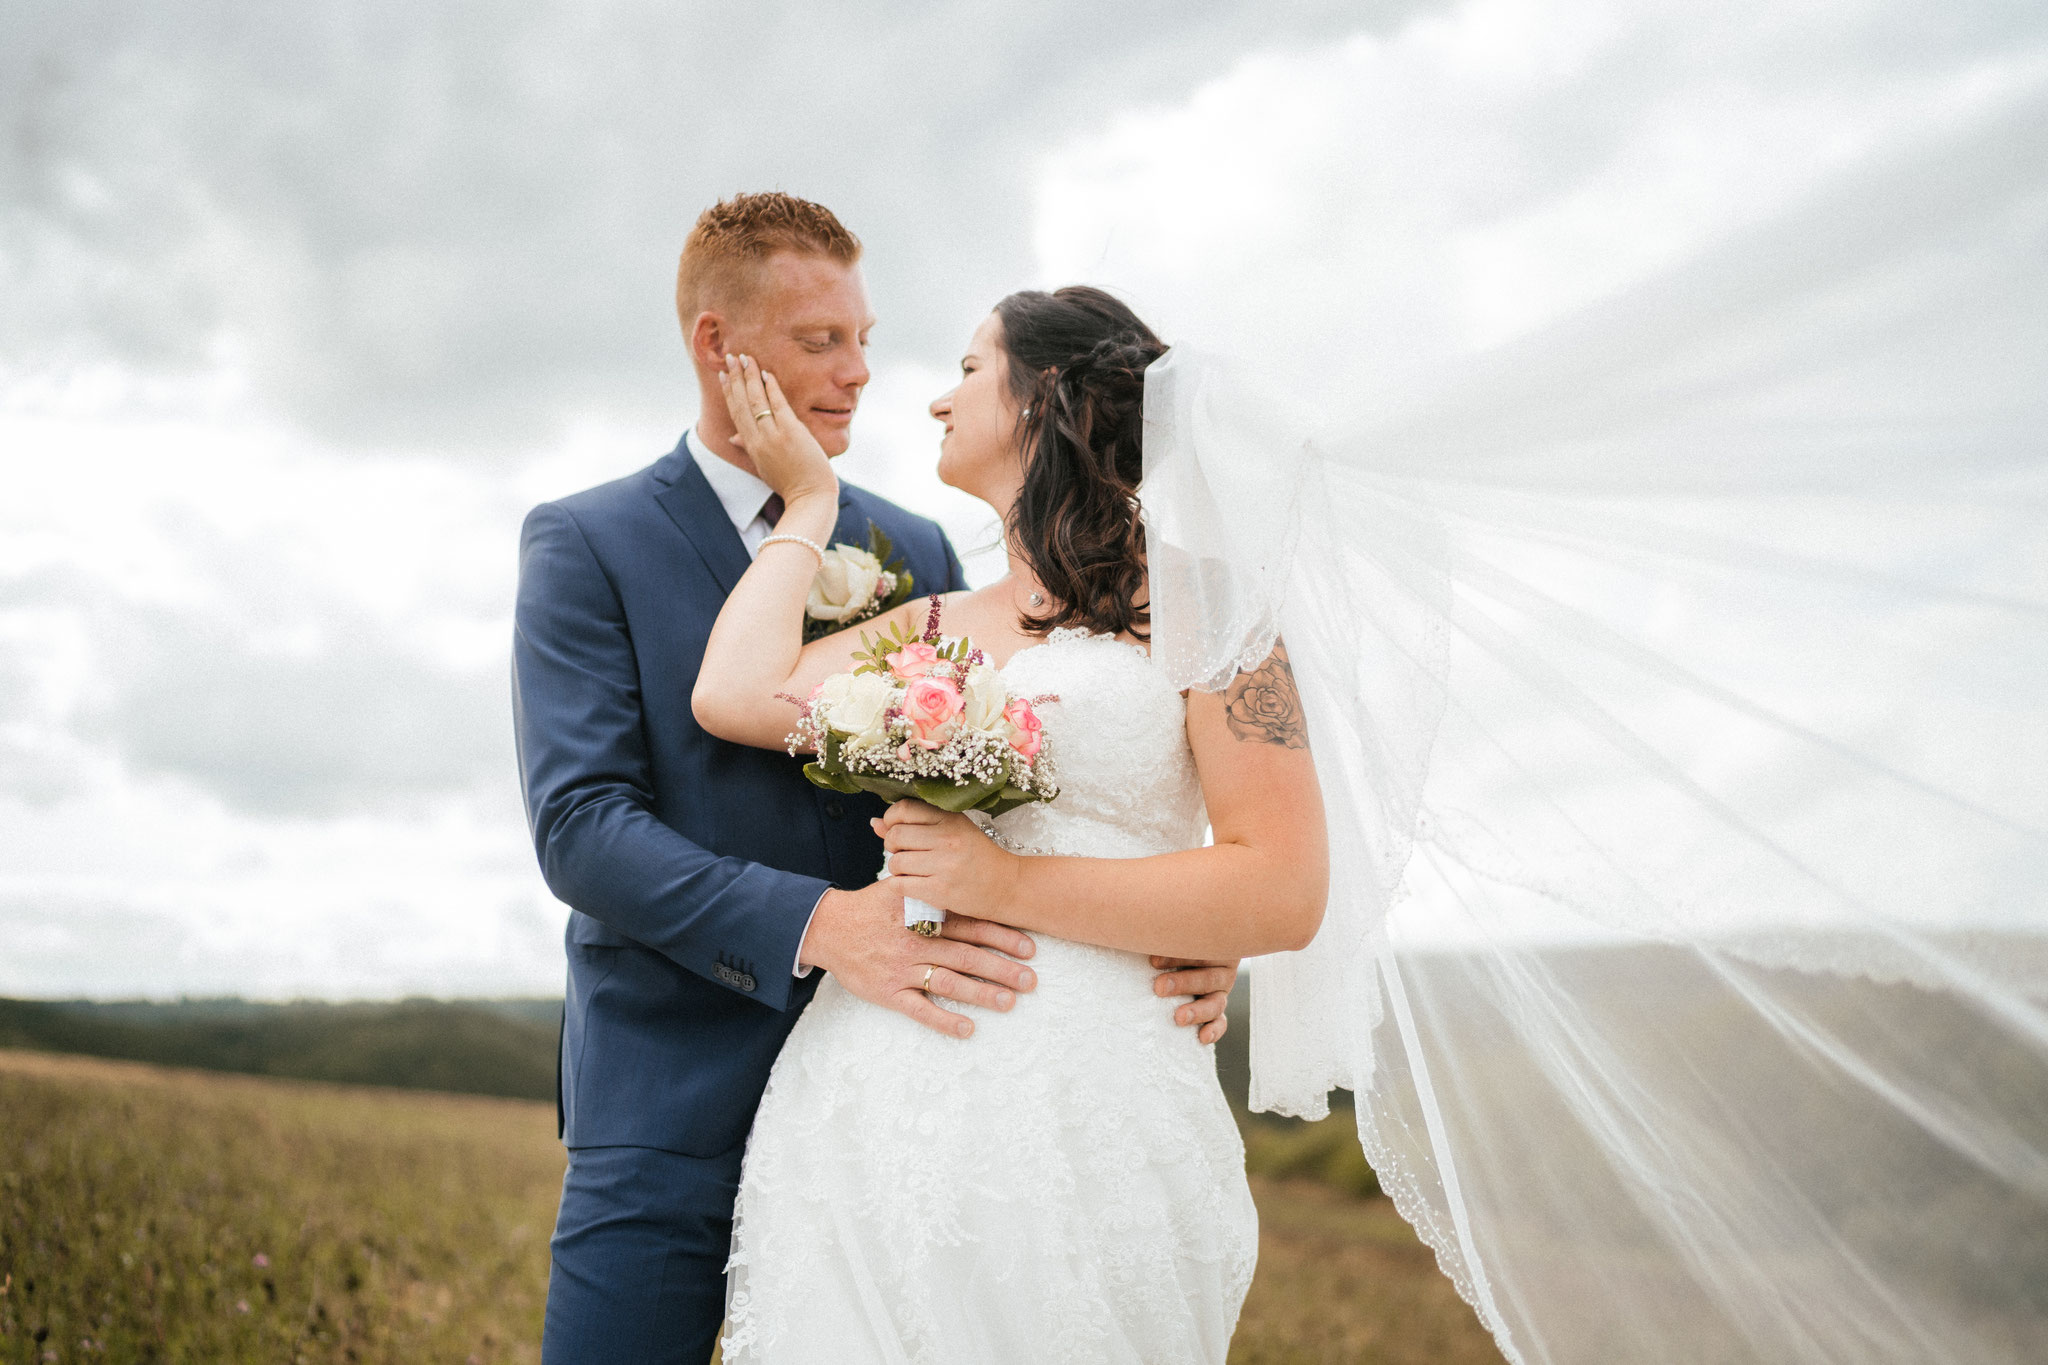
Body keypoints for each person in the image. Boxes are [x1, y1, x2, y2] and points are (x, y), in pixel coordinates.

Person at [511, 200, 1238, 1365]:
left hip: (934, 1061)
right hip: (672, 1090)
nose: (860, 374)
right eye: (818, 343)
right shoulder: (587, 540)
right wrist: (819, 927)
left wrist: (1192, 919)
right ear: (717, 345)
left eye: (864, 337)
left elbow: (1015, 783)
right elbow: (582, 830)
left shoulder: (920, 547)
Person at [692, 287, 1331, 1363]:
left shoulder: (1209, 608)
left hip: (1097, 1103)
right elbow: (735, 693)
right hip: (873, 1096)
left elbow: (1281, 888)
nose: (939, 401)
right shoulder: (941, 626)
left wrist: (1003, 884)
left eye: (970, 368)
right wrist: (807, 507)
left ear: (1044, 400)